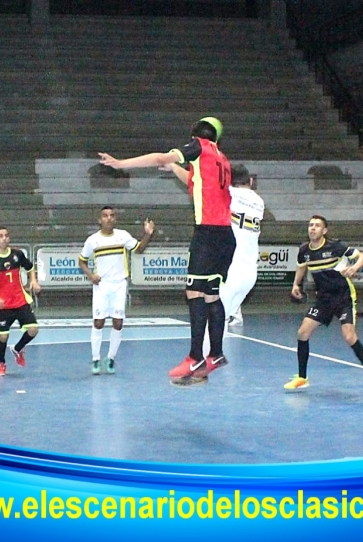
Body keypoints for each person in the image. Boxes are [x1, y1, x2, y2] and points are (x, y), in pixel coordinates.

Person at [99, 116, 236, 385]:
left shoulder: (199, 147)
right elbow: (196, 183)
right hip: (224, 235)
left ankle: (196, 356)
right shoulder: (222, 159)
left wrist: (121, 164)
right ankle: (216, 354)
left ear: (197, 133)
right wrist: (174, 167)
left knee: (194, 292)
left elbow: (160, 157)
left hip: (207, 233)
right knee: (210, 294)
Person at [284, 215, 363, 395]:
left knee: (349, 336)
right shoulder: (304, 250)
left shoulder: (335, 246)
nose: (312, 228)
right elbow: (301, 266)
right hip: (323, 299)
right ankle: (302, 378)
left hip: (343, 296)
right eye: (310, 225)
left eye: (317, 226)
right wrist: (296, 284)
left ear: (324, 231)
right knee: (303, 332)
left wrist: (353, 268)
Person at [166, 162, 264, 340]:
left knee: (209, 322)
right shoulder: (258, 202)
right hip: (249, 275)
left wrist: (173, 166)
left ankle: (204, 363)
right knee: (220, 320)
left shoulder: (229, 195)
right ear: (250, 181)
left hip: (230, 272)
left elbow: (195, 182)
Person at [78, 206, 154, 375]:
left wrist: (148, 234)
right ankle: (96, 359)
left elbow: (139, 249)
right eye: (105, 216)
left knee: (118, 323)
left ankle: (111, 358)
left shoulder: (122, 236)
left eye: (112, 215)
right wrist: (91, 276)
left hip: (119, 284)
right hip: (101, 286)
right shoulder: (93, 240)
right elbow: (82, 261)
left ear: (115, 219)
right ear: (100, 220)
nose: (109, 218)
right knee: (99, 322)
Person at [0, 227, 41, 376]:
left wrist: (33, 281)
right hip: (4, 305)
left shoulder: (17, 255)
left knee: (33, 329)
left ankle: (17, 348)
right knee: (3, 336)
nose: (4, 238)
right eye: (0, 236)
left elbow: (30, 267)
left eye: (6, 236)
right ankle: (1, 363)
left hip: (20, 300)